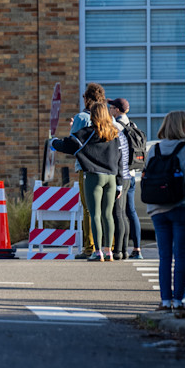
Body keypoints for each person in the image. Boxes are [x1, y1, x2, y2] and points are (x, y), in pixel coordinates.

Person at [51, 101, 120, 262]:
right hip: (111, 177)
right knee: (107, 215)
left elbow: (68, 145)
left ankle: (97, 252)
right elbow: (120, 156)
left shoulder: (87, 133)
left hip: (94, 175)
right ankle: (108, 251)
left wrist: (53, 142)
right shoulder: (114, 133)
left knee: (94, 214)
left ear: (94, 115)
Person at [144, 111, 185, 317]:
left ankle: (165, 300)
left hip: (156, 209)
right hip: (181, 207)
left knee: (164, 256)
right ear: (182, 127)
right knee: (181, 255)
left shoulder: (153, 149)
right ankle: (179, 300)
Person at [70, 82, 107, 258]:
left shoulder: (82, 118)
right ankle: (109, 246)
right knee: (107, 209)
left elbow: (73, 144)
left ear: (88, 99)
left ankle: (90, 247)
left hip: (86, 168)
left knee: (88, 209)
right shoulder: (109, 118)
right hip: (108, 169)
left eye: (84, 97)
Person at [110, 98, 145, 260]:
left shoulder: (116, 126)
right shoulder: (133, 125)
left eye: (111, 107)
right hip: (132, 174)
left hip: (121, 175)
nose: (109, 110)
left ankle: (120, 248)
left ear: (117, 110)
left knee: (119, 213)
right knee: (130, 212)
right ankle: (136, 248)